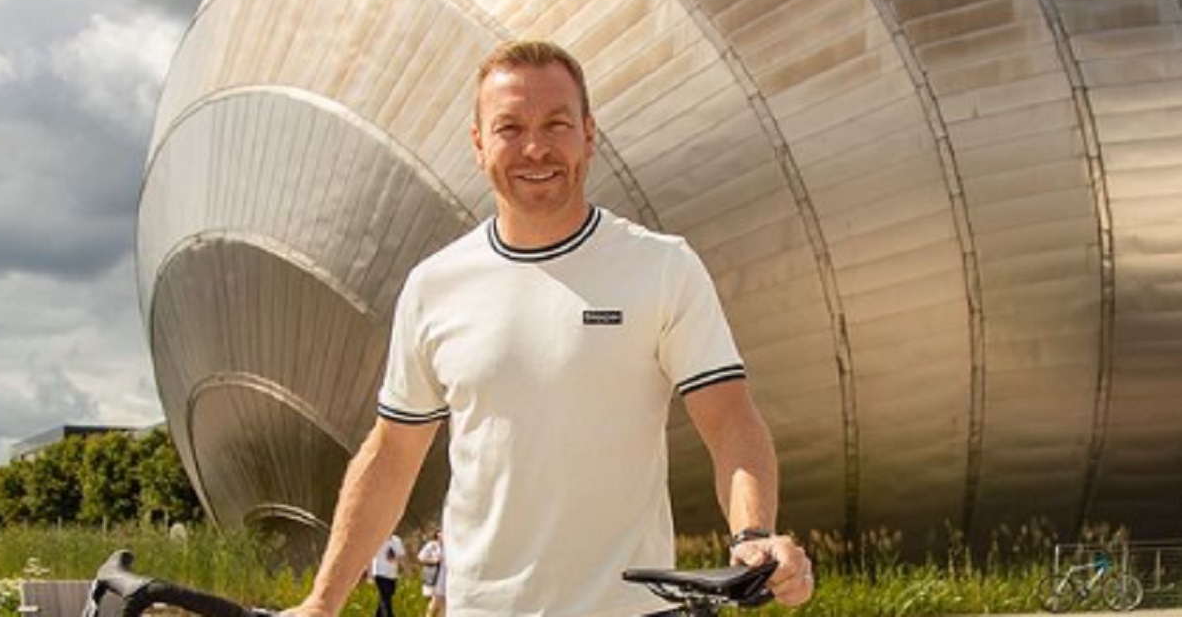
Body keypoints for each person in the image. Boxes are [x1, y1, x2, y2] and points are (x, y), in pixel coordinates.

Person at [291, 40, 813, 617]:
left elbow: (729, 418)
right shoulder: (433, 285)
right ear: (478, 143)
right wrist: (322, 602)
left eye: (556, 124)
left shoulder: (663, 267)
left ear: (589, 135)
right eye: (510, 127)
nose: (535, 148)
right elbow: (393, 454)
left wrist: (751, 534)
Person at [370, 532, 404, 617]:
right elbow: (370, 556)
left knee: (388, 595)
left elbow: (401, 554)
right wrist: (369, 573)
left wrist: (394, 557)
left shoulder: (397, 540)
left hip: (392, 573)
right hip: (380, 572)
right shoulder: (377, 539)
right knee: (385, 595)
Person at [418, 529, 446, 617]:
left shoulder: (448, 547)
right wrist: (434, 561)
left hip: (445, 576)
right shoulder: (431, 545)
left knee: (444, 602)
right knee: (436, 599)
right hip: (435, 576)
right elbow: (421, 557)